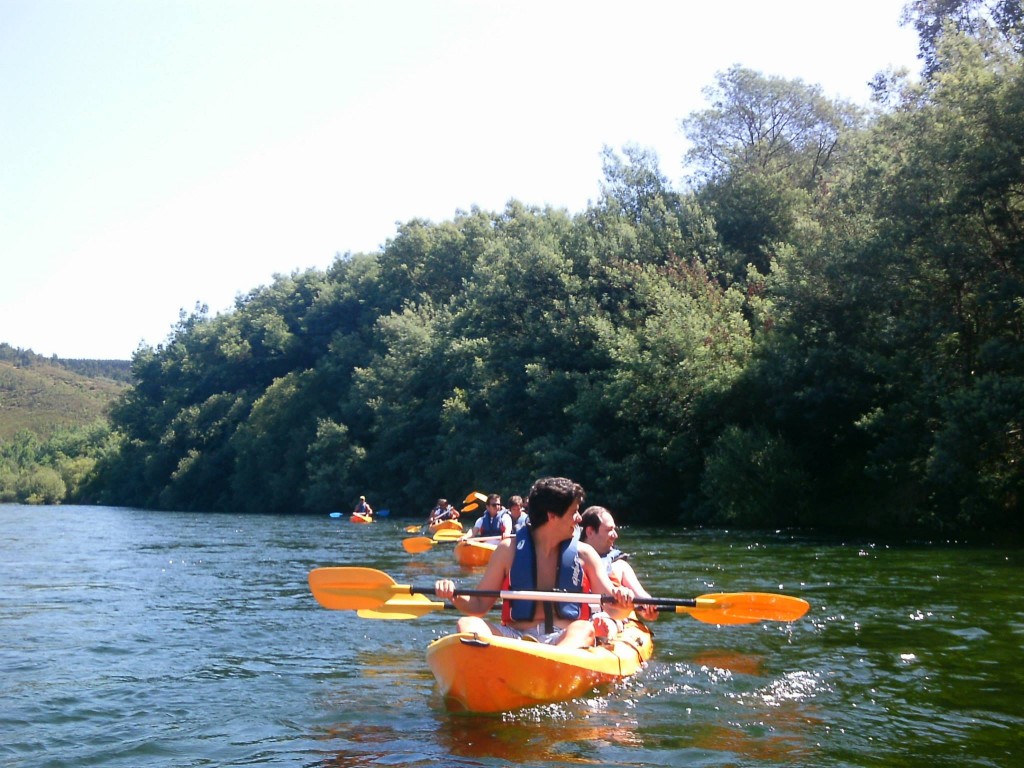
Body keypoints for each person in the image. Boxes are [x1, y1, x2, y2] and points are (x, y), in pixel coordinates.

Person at [435, 476, 635, 647]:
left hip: (562, 639)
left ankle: (552, 664)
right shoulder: (508, 550)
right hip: (516, 638)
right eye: (574, 511)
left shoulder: (585, 554)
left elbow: (613, 607)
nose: (578, 519)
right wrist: (453, 594)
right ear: (552, 516)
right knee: (468, 625)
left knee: (583, 628)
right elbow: (479, 605)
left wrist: (623, 599)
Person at [579, 505, 657, 621]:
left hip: (611, 619)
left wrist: (648, 608)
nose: (615, 535)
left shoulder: (620, 566)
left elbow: (642, 596)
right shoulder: (572, 561)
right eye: (609, 530)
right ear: (590, 532)